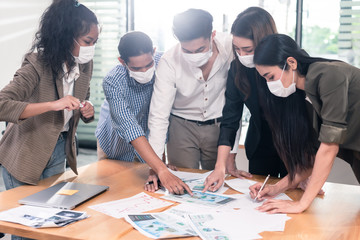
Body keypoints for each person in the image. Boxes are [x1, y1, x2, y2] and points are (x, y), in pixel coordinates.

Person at [250, 33, 360, 213]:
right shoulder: (303, 97)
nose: (269, 84)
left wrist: (301, 204)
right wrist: (275, 189)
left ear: (291, 63)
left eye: (270, 77)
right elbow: (311, 161)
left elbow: (329, 147)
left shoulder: (329, 75)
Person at [0, 0, 98, 189]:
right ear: (66, 36)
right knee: (23, 214)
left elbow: (82, 97)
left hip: (59, 146)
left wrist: (87, 108)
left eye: (95, 42)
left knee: (52, 211)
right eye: (87, 41)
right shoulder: (37, 65)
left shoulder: (85, 63)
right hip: (26, 151)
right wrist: (54, 104)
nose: (91, 48)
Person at [95, 31, 192, 195]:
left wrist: (159, 166)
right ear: (122, 61)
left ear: (154, 52)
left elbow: (160, 120)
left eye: (148, 65)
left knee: (152, 190)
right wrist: (161, 169)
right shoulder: (113, 81)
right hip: (115, 143)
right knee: (116, 190)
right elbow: (129, 127)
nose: (144, 71)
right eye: (136, 68)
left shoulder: (165, 64)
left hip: (151, 139)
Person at [203, 7, 288, 192]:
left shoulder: (289, 62)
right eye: (237, 49)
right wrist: (220, 167)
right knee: (260, 198)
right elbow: (230, 119)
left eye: (247, 49)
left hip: (293, 144)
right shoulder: (238, 68)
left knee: (295, 199)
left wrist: (306, 168)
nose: (242, 55)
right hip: (261, 146)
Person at [148, 9, 235, 175]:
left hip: (220, 126)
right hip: (182, 127)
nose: (194, 55)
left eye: (201, 49)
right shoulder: (169, 61)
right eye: (187, 51)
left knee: (221, 182)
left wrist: (231, 153)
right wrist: (155, 168)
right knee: (182, 180)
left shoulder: (230, 47)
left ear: (212, 35)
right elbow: (158, 116)